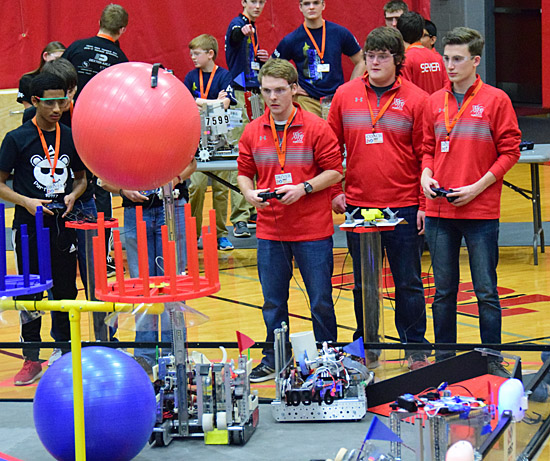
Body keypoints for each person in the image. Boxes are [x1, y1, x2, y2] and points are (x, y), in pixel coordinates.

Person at [420, 27, 521, 376]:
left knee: (486, 291)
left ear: (475, 61)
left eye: (457, 59)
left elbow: (510, 152)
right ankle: (443, 360)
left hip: (479, 210)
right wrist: (425, 175)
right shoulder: (434, 102)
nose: (449, 65)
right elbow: (426, 149)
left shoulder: (496, 100)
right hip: (439, 211)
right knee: (443, 293)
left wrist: (478, 187)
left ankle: (490, 359)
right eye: (446, 58)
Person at [328, 26, 430, 370]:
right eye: (369, 55)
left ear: (397, 60)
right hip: (358, 205)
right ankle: (367, 342)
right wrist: (332, 190)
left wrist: (423, 204)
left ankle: (415, 346)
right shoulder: (345, 94)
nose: (373, 62)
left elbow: (426, 154)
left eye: (382, 56)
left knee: (408, 282)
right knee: (363, 284)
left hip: (402, 204)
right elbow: (329, 148)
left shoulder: (417, 99)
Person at [237, 58, 343, 382]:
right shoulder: (253, 130)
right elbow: (243, 172)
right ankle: (275, 358)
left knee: (321, 301)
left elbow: (336, 171)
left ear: (294, 89)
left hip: (312, 229)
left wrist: (305, 188)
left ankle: (328, 358)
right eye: (266, 90)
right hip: (271, 230)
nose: (272, 97)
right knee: (273, 302)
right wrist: (249, 194)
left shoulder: (315, 126)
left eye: (280, 90)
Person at [0, 73, 87, 385]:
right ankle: (31, 356)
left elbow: (80, 178)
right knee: (31, 292)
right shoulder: (16, 139)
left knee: (65, 290)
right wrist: (25, 201)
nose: (57, 108)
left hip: (63, 226)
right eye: (49, 102)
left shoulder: (69, 135)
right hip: (29, 227)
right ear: (35, 101)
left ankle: (64, 352)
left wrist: (74, 195)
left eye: (61, 101)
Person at [101, 160, 196, 371]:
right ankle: (145, 353)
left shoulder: (172, 128)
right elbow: (102, 179)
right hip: (135, 211)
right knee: (141, 284)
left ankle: (174, 351)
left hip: (172, 205)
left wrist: (174, 180)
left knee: (173, 281)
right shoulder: (120, 136)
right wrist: (123, 190)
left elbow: (191, 162)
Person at [63, 3, 129, 276]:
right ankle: (102, 257)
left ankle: (68, 246)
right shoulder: (121, 59)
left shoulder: (77, 47)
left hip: (67, 130)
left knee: (67, 185)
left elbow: (59, 77)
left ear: (99, 22)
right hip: (101, 135)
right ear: (122, 29)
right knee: (100, 190)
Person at [184, 34, 237, 251]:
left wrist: (202, 102)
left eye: (197, 54)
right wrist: (213, 102)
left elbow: (226, 103)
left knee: (221, 189)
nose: (193, 58)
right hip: (197, 141)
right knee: (196, 186)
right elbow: (188, 100)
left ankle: (221, 234)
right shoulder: (190, 77)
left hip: (221, 139)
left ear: (210, 54)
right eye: (192, 54)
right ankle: (194, 233)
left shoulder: (225, 75)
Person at [272, 0, 365, 117]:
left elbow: (361, 60)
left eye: (315, 3)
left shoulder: (339, 33)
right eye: (306, 4)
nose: (311, 7)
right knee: (311, 134)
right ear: (300, 7)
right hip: (307, 100)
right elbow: (271, 67)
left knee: (336, 135)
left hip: (336, 99)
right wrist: (290, 86)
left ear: (323, 5)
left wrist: (350, 88)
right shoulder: (292, 39)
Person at [225, 0, 270, 239]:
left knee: (258, 149)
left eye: (262, 2)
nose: (258, 5)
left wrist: (261, 59)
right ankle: (239, 217)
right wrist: (240, 32)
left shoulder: (253, 27)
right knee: (240, 152)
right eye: (253, 1)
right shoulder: (238, 24)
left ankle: (251, 207)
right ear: (243, 2)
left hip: (254, 92)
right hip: (239, 94)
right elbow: (233, 36)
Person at [397, 12, 448, 94]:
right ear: (422, 33)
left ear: (398, 33)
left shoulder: (405, 59)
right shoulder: (438, 58)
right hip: (437, 106)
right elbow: (447, 88)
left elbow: (405, 92)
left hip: (417, 106)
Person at [17, 41, 66, 109]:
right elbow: (29, 111)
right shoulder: (27, 80)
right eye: (57, 58)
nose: (60, 63)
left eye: (63, 60)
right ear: (45, 56)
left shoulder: (64, 80)